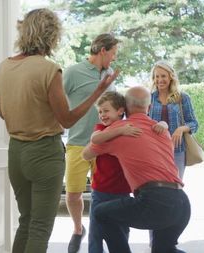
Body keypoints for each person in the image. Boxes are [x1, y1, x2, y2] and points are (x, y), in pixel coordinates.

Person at [0, 9, 119, 253]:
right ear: (51, 35)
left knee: (26, 221)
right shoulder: (49, 70)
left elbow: (2, 112)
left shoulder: (3, 68)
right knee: (40, 227)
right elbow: (67, 119)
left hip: (16, 152)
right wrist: (99, 90)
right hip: (44, 153)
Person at [82, 86, 191, 253]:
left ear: (124, 108)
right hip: (181, 203)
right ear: (148, 108)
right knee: (164, 250)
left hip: (153, 201)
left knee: (100, 213)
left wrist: (112, 132)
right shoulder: (161, 130)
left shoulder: (122, 131)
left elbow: (86, 153)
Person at [63, 33, 120, 253]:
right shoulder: (73, 72)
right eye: (113, 53)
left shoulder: (109, 75)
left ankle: (98, 238)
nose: (113, 58)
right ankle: (78, 229)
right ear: (103, 51)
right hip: (77, 142)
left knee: (102, 193)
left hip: (104, 144)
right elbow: (57, 99)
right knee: (73, 194)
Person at [148, 60, 199, 179]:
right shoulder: (149, 98)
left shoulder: (183, 98)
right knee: (156, 187)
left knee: (176, 186)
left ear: (171, 77)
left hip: (177, 150)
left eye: (163, 76)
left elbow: (194, 123)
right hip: (154, 150)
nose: (160, 80)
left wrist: (181, 129)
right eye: (157, 76)